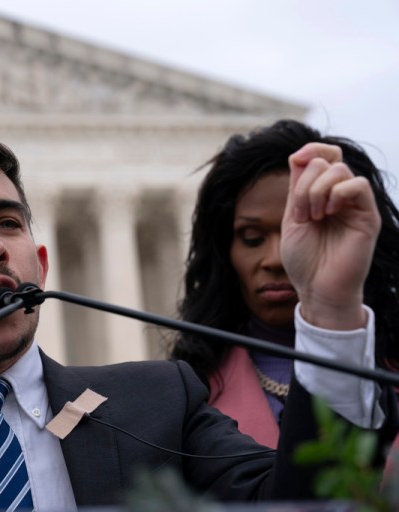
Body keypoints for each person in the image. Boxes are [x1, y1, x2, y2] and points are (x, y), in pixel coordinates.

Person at [0, 131, 394, 511]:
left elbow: (314, 502)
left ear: (42, 264)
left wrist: (329, 306)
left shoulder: (161, 403)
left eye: (8, 223)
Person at [169, 119, 399, 448]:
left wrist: (333, 306)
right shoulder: (188, 397)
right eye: (252, 238)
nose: (277, 259)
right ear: (223, 253)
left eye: (311, 231)